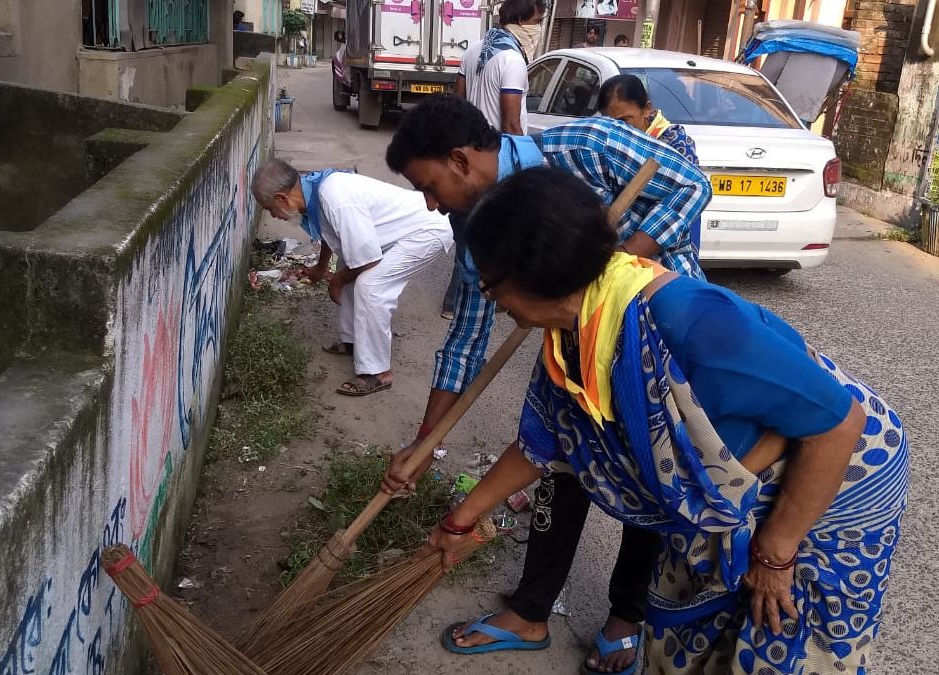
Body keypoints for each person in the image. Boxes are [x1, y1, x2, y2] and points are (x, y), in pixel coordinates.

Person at [428, 166, 908, 675]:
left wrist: (775, 551)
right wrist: (461, 519)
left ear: (532, 274)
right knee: (686, 635)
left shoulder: (691, 322)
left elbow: (839, 422)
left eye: (488, 281)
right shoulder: (574, 335)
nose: (488, 296)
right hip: (725, 492)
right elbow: (543, 444)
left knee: (776, 642)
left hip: (833, 481)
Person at [383, 95, 710, 672]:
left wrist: (614, 265)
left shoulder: (583, 146)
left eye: (429, 186)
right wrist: (425, 440)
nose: (432, 206)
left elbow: (691, 187)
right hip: (565, 334)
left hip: (652, 331)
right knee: (558, 454)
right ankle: (531, 610)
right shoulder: (474, 227)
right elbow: (467, 337)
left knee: (650, 467)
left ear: (460, 160)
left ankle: (625, 619)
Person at [251, 159, 453, 396]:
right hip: (400, 231)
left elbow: (368, 261)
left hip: (428, 231)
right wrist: (321, 266)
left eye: (269, 209)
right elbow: (331, 232)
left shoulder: (335, 198)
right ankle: (353, 342)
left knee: (371, 286)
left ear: (282, 199)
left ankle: (378, 372)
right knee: (350, 265)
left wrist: (336, 281)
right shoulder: (313, 191)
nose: (274, 216)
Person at [441, 0, 546, 321]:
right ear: (520, 20)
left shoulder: (474, 50)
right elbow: (512, 125)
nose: (538, 28)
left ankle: (453, 302)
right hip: (497, 162)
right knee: (489, 236)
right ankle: (487, 301)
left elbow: (457, 105)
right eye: (537, 20)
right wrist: (529, 172)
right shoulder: (512, 60)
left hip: (467, 159)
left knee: (470, 232)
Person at [597, 74, 703, 251]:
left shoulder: (674, 144)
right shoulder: (606, 143)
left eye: (624, 120)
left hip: (663, 243)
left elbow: (684, 204)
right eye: (610, 122)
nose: (617, 128)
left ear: (646, 109)